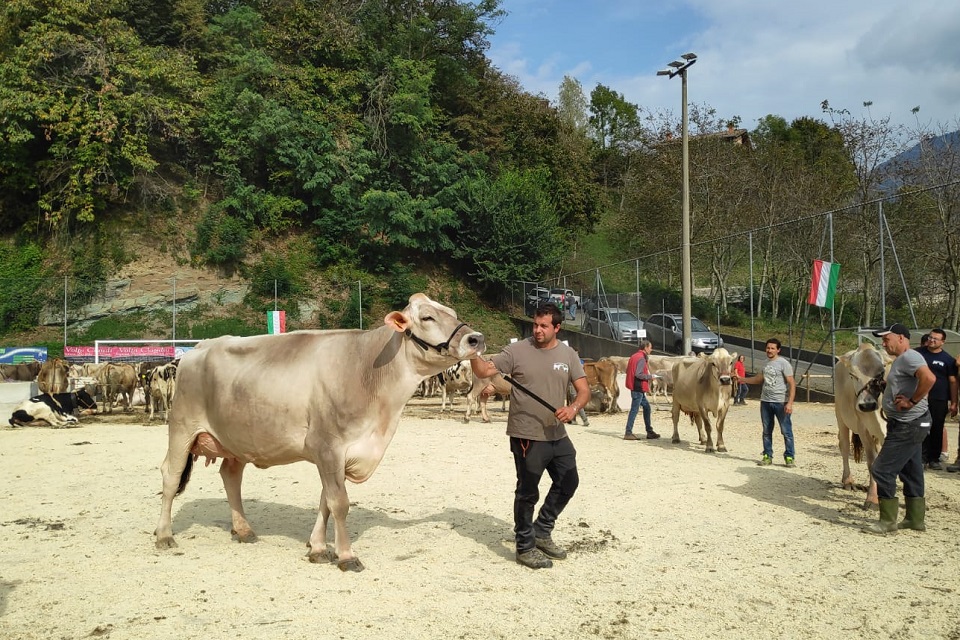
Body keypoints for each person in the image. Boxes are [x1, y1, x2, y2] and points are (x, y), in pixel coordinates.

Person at [470, 302, 591, 569]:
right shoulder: (517, 350)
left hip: (557, 433)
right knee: (527, 492)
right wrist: (471, 353)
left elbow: (584, 391)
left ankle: (542, 529)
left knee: (569, 481)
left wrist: (573, 409)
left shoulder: (568, 354)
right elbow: (483, 371)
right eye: (535, 325)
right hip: (526, 434)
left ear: (557, 327)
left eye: (543, 326)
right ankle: (524, 546)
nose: (537, 330)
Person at [864, 323, 935, 534]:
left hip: (908, 424)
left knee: (881, 469)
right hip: (910, 424)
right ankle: (915, 519)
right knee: (911, 471)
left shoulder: (909, 357)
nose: (883, 343)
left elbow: (929, 378)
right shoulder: (902, 360)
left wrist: (911, 402)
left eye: (887, 339)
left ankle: (887, 522)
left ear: (902, 338)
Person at [740, 338, 796, 467]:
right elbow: (759, 379)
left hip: (780, 402)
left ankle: (789, 456)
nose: (769, 350)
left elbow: (792, 383)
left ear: (778, 350)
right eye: (768, 348)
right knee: (766, 431)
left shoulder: (784, 363)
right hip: (765, 401)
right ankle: (767, 455)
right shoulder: (765, 363)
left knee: (786, 431)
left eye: (772, 348)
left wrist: (790, 403)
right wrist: (741, 379)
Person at [917, 328, 958, 470]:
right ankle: (921, 457)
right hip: (920, 398)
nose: (932, 340)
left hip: (939, 399)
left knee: (937, 428)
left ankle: (934, 458)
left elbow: (953, 382)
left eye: (935, 339)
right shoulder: (918, 354)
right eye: (930, 337)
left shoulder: (948, 360)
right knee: (922, 426)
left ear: (942, 342)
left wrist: (954, 402)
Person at [623, 340, 660, 440]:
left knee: (647, 408)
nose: (651, 349)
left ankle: (649, 431)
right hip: (638, 387)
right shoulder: (641, 358)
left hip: (635, 386)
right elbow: (638, 374)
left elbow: (629, 370)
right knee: (634, 410)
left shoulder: (634, 356)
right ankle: (628, 432)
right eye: (650, 347)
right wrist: (650, 376)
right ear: (646, 347)